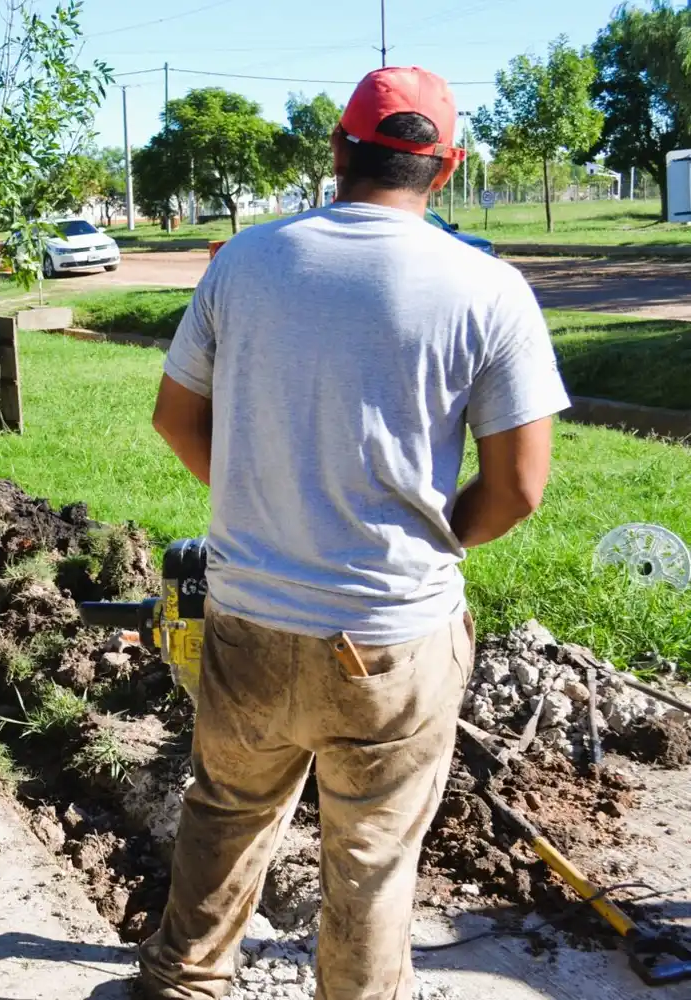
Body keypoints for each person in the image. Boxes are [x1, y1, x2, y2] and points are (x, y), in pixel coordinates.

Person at [140, 66, 569, 999]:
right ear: (445, 169)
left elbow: (176, 419)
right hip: (394, 635)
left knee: (225, 812)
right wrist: (437, 542)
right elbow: (521, 487)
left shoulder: (245, 264)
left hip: (252, 615)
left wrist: (262, 503)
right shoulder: (490, 290)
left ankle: (184, 982)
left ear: (337, 150)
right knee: (372, 863)